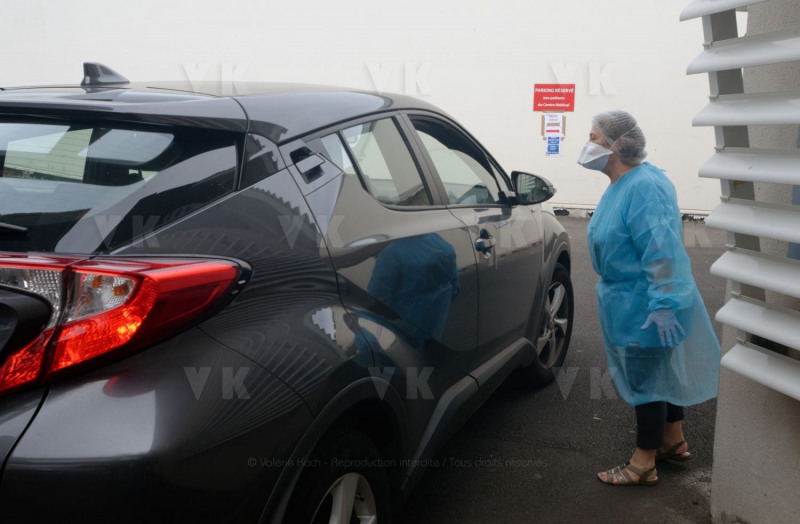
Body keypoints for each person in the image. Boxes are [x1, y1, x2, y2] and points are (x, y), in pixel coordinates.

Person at [579, 110, 721, 486]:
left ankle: (643, 464)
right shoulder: (628, 183)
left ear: (616, 146)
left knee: (646, 380)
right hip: (635, 296)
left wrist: (662, 304)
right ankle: (672, 441)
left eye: (593, 137)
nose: (587, 144)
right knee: (662, 371)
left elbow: (661, 253)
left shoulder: (642, 186)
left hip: (645, 301)